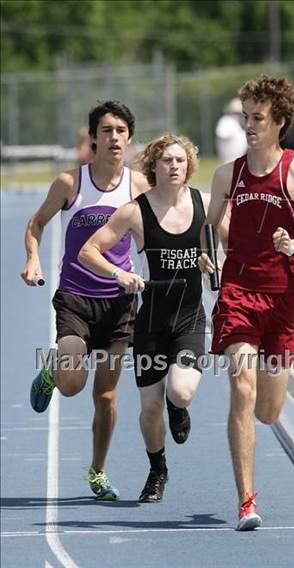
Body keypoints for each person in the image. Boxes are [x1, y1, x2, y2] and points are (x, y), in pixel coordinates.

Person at [199, 74, 294, 531]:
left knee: (268, 409)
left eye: (257, 118)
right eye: (245, 117)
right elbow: (209, 224)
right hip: (238, 291)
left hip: (283, 299)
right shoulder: (228, 174)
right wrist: (208, 253)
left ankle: (265, 408)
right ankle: (246, 500)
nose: (248, 126)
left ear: (279, 121)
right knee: (242, 388)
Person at [78, 133, 227, 504]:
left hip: (190, 319)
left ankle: (179, 408)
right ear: (154, 166)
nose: (173, 166)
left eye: (179, 160)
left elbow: (235, 246)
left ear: (189, 165)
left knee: (180, 391)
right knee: (148, 408)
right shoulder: (134, 211)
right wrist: (119, 274)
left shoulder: (206, 205)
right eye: (166, 161)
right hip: (150, 324)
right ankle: (157, 469)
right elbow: (88, 251)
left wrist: (217, 262)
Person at [21, 100, 149, 500]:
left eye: (121, 131)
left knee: (106, 395)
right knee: (74, 385)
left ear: (129, 138)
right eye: (106, 130)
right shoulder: (69, 183)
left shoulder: (138, 185)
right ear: (92, 136)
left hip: (119, 303)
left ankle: (97, 471)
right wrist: (32, 259)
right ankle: (51, 374)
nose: (114, 137)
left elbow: (156, 235)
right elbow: (36, 223)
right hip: (76, 298)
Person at [215, 98, 248, 164]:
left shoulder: (239, 124)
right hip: (229, 159)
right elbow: (222, 134)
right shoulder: (227, 121)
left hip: (239, 158)